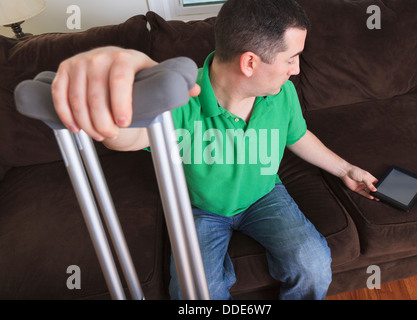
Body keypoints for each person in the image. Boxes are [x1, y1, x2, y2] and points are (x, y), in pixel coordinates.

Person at [51, 0, 378, 300]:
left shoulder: (282, 94)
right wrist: (108, 109)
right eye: (291, 58)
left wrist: (346, 170)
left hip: (264, 195)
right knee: (195, 292)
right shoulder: (181, 97)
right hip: (200, 208)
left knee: (314, 264)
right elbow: (124, 138)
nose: (297, 69)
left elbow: (297, 135)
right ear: (250, 62)